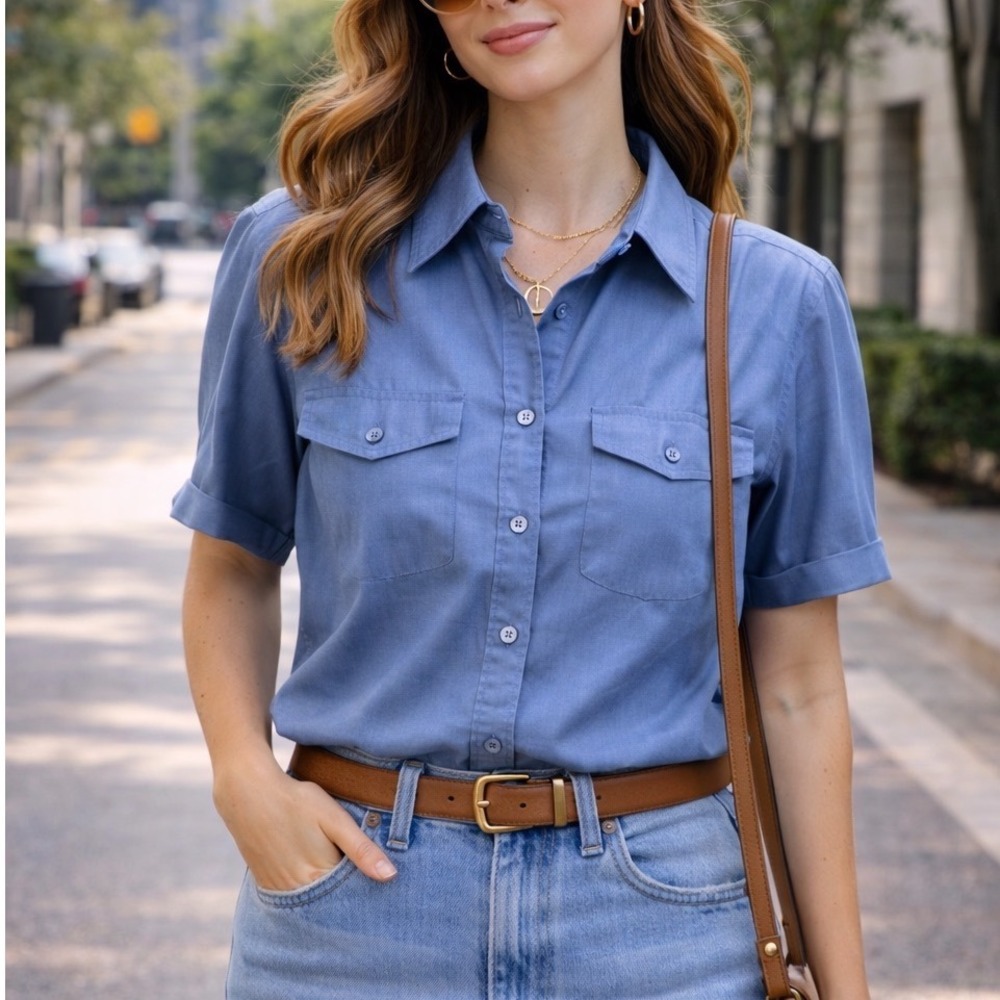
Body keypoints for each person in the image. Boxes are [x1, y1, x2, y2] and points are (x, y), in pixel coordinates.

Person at [173, 0, 891, 996]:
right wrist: (243, 779)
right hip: (353, 916)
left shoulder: (776, 302)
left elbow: (800, 685)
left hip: (662, 933)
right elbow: (232, 564)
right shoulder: (302, 252)